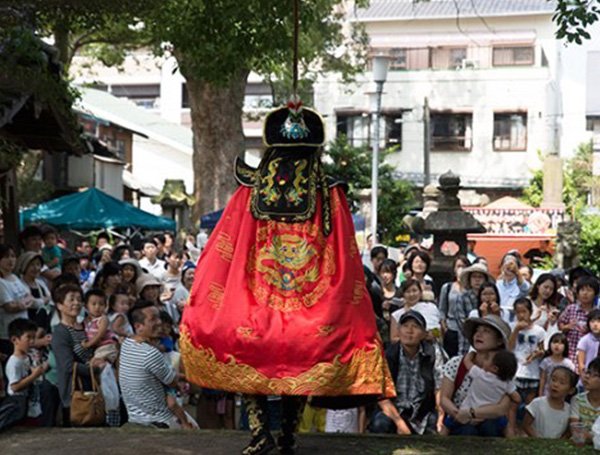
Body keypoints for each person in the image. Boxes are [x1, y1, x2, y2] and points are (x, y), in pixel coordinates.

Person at [369, 311, 443, 435]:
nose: (409, 331)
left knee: (436, 425)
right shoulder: (388, 355)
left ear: (424, 333)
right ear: (398, 330)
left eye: (415, 327)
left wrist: (441, 415)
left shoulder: (432, 353)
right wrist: (399, 423)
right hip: (393, 411)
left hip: (422, 412)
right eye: (405, 326)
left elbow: (439, 388)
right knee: (380, 423)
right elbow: (383, 398)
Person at [440, 315, 513, 436]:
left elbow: (502, 408)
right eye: (477, 331)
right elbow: (444, 399)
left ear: (499, 341)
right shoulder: (456, 363)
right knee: (466, 430)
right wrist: (460, 415)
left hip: (491, 424)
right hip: (459, 421)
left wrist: (474, 413)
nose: (479, 334)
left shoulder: (504, 370)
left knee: (490, 427)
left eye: (486, 331)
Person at [119, 300, 181, 428]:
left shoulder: (126, 344)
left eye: (158, 317)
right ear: (138, 326)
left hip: (135, 417)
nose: (159, 322)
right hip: (162, 419)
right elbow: (172, 382)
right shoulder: (150, 353)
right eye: (153, 319)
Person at [51, 283, 102, 426]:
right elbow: (68, 366)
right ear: (60, 305)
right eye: (71, 299)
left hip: (92, 386)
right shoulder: (60, 332)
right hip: (75, 392)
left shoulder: (86, 325)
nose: (76, 303)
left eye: (79, 299)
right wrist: (95, 370)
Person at [442, 350, 518, 434]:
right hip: (489, 416)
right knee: (504, 424)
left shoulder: (480, 374)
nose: (484, 361)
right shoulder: (506, 383)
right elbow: (517, 398)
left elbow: (467, 361)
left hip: (466, 411)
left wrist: (471, 354)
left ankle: (440, 438)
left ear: (494, 368)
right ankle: (512, 440)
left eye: (486, 359)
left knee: (448, 423)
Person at [6, 318, 47, 424]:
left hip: (34, 408)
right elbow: (14, 387)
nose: (32, 341)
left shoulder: (29, 357)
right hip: (21, 409)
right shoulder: (14, 362)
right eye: (28, 337)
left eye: (33, 337)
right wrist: (34, 375)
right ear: (15, 340)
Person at [509, 298, 546, 408]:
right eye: (518, 312)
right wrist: (516, 330)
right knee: (513, 404)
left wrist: (537, 354)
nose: (521, 315)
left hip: (532, 372)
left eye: (524, 311)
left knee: (530, 405)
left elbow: (542, 350)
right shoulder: (512, 327)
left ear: (530, 312)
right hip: (516, 371)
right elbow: (509, 348)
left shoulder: (539, 331)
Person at [0, 244, 34, 360]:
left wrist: (21, 304)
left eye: (13, 256)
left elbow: (29, 296)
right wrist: (23, 303)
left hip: (24, 332)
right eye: (6, 256)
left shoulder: (15, 277)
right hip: (8, 334)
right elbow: (9, 306)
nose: (11, 259)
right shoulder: (1, 282)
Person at [524, 366, 577, 438]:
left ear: (571, 390)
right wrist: (539, 439)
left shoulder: (569, 410)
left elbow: (568, 432)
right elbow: (526, 425)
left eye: (562, 383)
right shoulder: (537, 403)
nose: (555, 385)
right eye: (553, 380)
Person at [559, 276, 600, 368]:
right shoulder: (571, 309)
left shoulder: (597, 313)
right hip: (570, 354)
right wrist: (567, 327)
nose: (585, 293)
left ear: (595, 293)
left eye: (589, 290)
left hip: (589, 356)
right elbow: (560, 326)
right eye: (582, 290)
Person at [454, 262, 494, 356]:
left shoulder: (491, 298)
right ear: (470, 279)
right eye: (474, 277)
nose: (477, 280)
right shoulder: (462, 297)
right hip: (466, 342)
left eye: (480, 277)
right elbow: (461, 321)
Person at [439, 256, 470, 358]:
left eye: (463, 266)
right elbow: (442, 309)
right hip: (451, 329)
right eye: (458, 266)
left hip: (466, 329)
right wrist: (444, 328)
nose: (461, 269)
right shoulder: (447, 287)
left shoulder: (470, 289)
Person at [82, 289, 118, 363]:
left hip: (107, 346)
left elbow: (100, 334)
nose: (97, 307)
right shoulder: (86, 320)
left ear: (105, 306)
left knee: (95, 363)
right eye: (94, 304)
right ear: (86, 306)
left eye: (101, 304)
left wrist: (88, 344)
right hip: (98, 348)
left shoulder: (103, 319)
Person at [570, 357, 600, 442]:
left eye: (594, 375)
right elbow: (575, 428)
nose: (587, 376)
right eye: (588, 372)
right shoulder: (577, 400)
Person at [539, 333, 575, 397]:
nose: (557, 345)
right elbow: (543, 379)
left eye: (561, 343)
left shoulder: (568, 364)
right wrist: (540, 394)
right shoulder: (546, 361)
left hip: (561, 395)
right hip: (546, 394)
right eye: (555, 342)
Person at [496, 253, 530, 322]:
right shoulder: (497, 284)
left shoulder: (520, 284)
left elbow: (525, 289)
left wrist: (516, 272)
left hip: (513, 321)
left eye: (512, 264)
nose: (509, 266)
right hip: (498, 319)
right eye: (506, 263)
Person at [529, 274, 561, 343]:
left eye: (551, 289)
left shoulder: (552, 308)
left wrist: (551, 322)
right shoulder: (527, 303)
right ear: (538, 286)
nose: (548, 291)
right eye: (545, 287)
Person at [576, 309, 600, 377]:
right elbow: (581, 364)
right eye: (592, 321)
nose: (595, 324)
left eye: (599, 321)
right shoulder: (585, 340)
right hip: (588, 375)